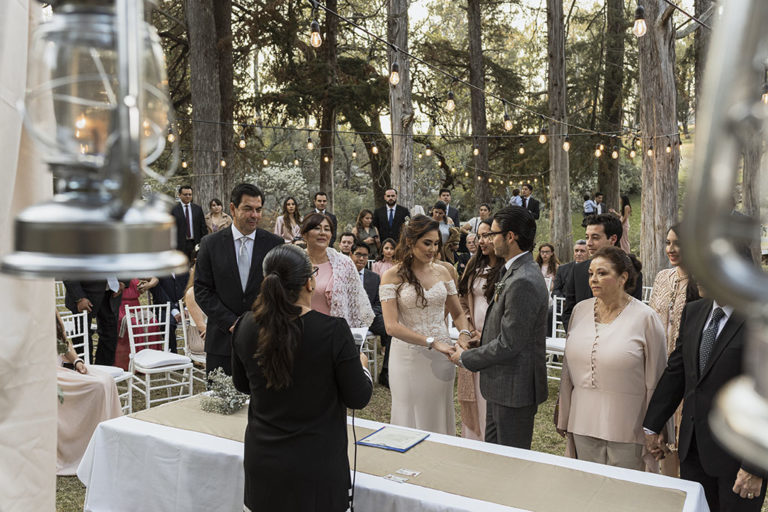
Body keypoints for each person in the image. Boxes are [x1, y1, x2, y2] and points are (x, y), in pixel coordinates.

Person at [232, 244, 372, 512]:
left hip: (264, 463)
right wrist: (362, 365)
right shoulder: (332, 331)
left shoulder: (245, 325)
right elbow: (359, 396)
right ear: (310, 282)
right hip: (316, 469)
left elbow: (242, 385)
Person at [644, 278, 767, 511]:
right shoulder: (694, 310)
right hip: (694, 449)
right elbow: (678, 371)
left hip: (738, 457)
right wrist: (653, 424)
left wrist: (755, 467)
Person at [556, 246, 667, 471]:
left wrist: (655, 429)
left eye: (602, 273)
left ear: (623, 278)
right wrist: (564, 412)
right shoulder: (579, 311)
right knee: (587, 491)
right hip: (582, 422)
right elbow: (568, 371)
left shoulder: (646, 318)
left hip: (629, 427)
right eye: (591, 273)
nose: (593, 279)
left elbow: (657, 379)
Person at [451, 206, 549, 448]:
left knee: (510, 464)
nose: (488, 239)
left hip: (514, 388)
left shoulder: (523, 279)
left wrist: (466, 358)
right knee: (495, 458)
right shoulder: (512, 270)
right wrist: (481, 340)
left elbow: (510, 343)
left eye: (493, 234)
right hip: (500, 385)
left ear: (510, 236)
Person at [380, 215, 472, 434]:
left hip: (443, 356)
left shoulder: (445, 271)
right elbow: (391, 326)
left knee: (439, 410)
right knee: (409, 415)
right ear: (411, 242)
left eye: (436, 243)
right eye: (427, 243)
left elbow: (458, 313)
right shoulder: (392, 276)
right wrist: (431, 342)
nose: (432, 249)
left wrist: (464, 334)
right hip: (408, 357)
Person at [195, 183, 284, 375]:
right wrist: (231, 323)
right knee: (221, 401)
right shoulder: (210, 244)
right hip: (221, 341)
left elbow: (280, 290)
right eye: (248, 209)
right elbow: (202, 290)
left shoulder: (274, 244)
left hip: (263, 340)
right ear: (233, 208)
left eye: (258, 210)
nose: (255, 215)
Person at [647, 223, 701, 477]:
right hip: (658, 368)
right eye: (668, 242)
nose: (671, 248)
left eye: (678, 243)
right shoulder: (662, 277)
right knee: (660, 441)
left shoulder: (703, 284)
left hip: (686, 371)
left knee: (681, 443)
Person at [55, 312, 122, 475]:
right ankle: (85, 448)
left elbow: (62, 344)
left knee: (106, 380)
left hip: (61, 368)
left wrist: (77, 361)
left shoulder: (50, 310)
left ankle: (107, 443)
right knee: (96, 386)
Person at [457, 219, 504, 440]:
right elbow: (463, 302)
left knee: (488, 400)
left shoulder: (505, 269)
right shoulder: (473, 265)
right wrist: (468, 329)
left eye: (488, 235)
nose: (482, 240)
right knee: (473, 395)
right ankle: (473, 441)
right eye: (480, 235)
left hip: (494, 340)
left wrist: (486, 335)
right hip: (474, 338)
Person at [562, 213, 644, 331]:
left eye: (595, 237)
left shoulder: (631, 273)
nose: (589, 243)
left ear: (613, 239)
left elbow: (631, 314)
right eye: (587, 237)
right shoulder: (577, 270)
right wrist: (577, 336)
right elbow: (568, 311)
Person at [301, 213, 374, 329]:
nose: (322, 233)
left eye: (327, 229)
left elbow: (356, 304)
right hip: (299, 332)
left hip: (333, 333)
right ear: (304, 234)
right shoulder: (294, 261)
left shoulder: (344, 264)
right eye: (316, 228)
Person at [350, 241, 391, 388]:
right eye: (358, 254)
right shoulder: (342, 275)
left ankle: (385, 373)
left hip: (370, 318)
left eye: (365, 256)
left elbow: (379, 303)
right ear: (351, 255)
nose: (361, 258)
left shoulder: (374, 277)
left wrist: (369, 315)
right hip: (346, 318)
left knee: (391, 329)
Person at [64, 277, 126, 365]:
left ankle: (104, 370)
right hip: (84, 295)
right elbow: (68, 271)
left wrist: (124, 281)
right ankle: (83, 369)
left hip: (111, 293)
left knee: (110, 335)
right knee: (82, 336)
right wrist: (79, 297)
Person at [114, 277, 160, 370]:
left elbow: (155, 278)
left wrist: (148, 285)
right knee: (134, 324)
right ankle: (130, 362)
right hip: (120, 306)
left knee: (152, 322)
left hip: (135, 306)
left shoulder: (135, 269)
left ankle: (151, 360)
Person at [171, 185, 207, 262]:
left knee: (196, 266)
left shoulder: (197, 209)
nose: (188, 196)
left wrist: (203, 243)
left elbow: (203, 227)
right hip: (180, 244)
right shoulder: (174, 210)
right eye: (185, 194)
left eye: (190, 194)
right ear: (179, 195)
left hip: (196, 243)